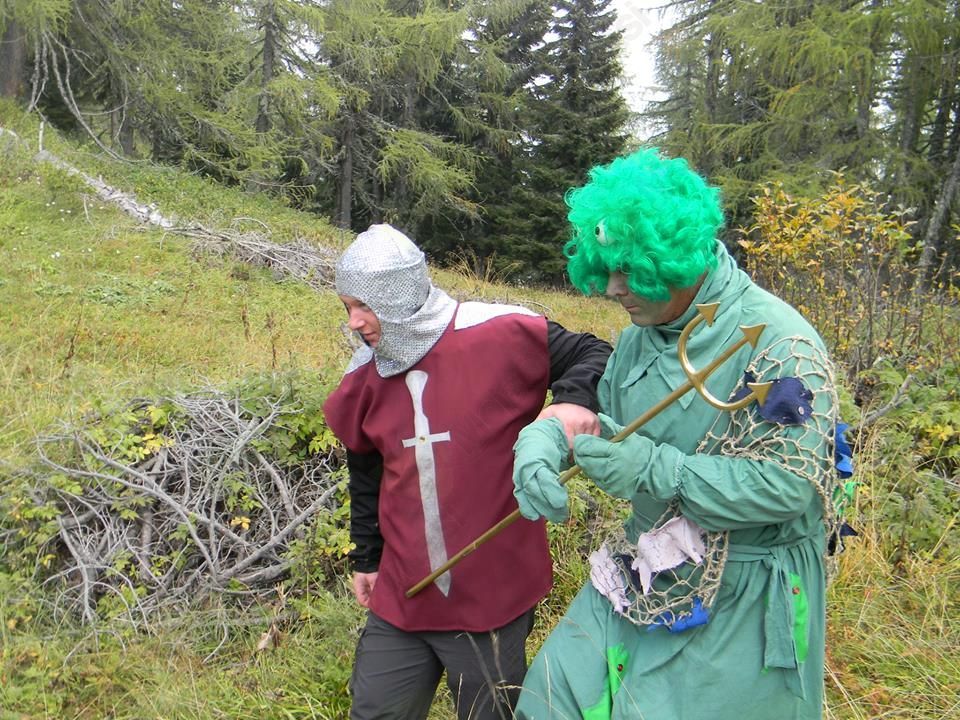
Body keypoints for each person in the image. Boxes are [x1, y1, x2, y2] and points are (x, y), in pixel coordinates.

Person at [511, 149, 841, 719]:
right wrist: (551, 438)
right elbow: (612, 426)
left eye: (631, 271)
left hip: (742, 593)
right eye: (605, 268)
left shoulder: (780, 344)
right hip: (645, 563)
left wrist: (654, 469)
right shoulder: (642, 333)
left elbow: (789, 487)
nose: (613, 288)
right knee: (552, 699)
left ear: (678, 258)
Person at [321, 224, 612, 720]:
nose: (353, 322)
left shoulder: (499, 331)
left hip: (493, 590)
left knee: (488, 713)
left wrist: (571, 403)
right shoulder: (364, 373)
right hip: (403, 589)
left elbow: (594, 353)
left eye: (363, 305)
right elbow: (367, 471)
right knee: (376, 711)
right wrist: (367, 556)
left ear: (395, 295)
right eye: (347, 306)